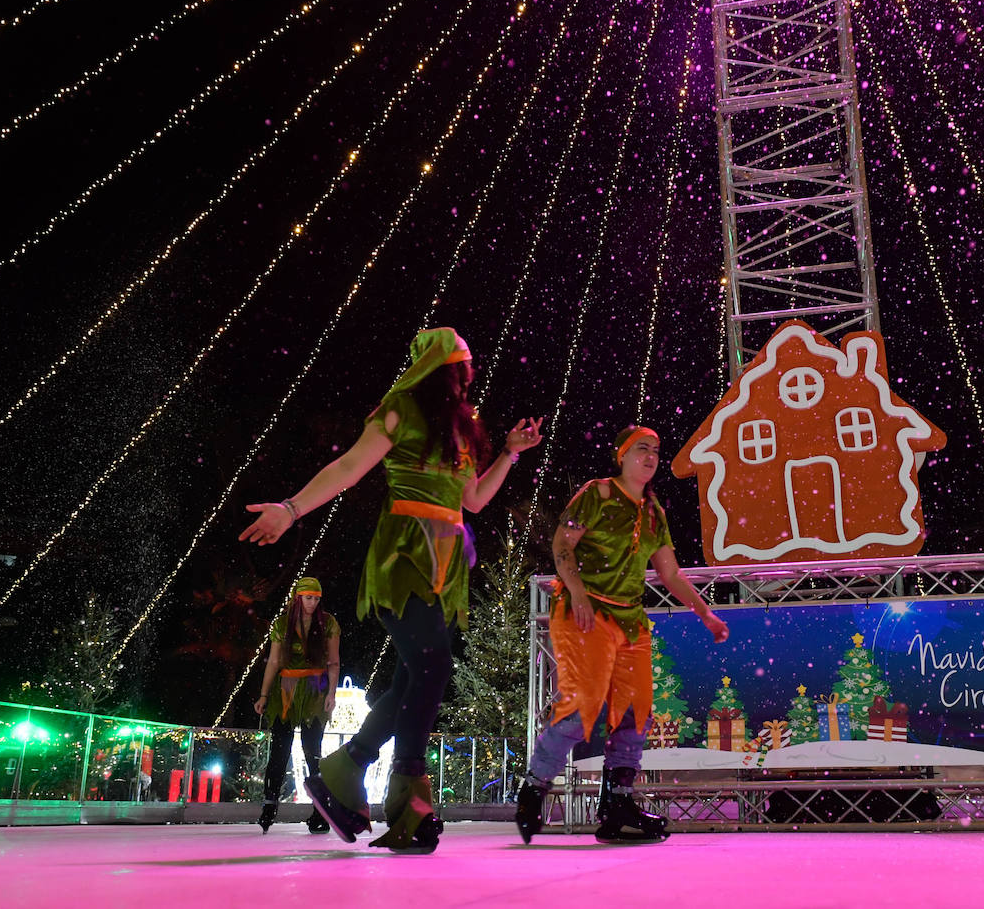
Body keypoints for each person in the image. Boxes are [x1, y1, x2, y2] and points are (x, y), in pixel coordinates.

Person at [239, 327, 542, 853]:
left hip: (446, 566)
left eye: (465, 368)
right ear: (433, 370)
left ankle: (344, 773)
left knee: (413, 679)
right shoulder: (399, 408)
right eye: (455, 367)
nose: (462, 377)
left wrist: (510, 455)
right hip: (403, 555)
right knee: (433, 664)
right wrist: (290, 510)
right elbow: (350, 467)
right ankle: (405, 788)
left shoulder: (465, 427)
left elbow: (472, 501)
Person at [515, 425, 729, 844]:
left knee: (634, 711)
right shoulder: (597, 494)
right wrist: (576, 590)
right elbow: (563, 543)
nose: (650, 456)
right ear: (622, 455)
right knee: (584, 710)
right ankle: (534, 788)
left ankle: (617, 803)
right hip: (586, 611)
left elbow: (670, 573)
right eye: (641, 449)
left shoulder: (652, 513)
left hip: (630, 621)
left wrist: (706, 614)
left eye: (655, 450)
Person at [253, 576, 339, 833]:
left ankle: (320, 811)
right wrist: (264, 695)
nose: (312, 603)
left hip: (315, 689)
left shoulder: (329, 623)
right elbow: (274, 662)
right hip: (286, 690)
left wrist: (332, 694)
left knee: (313, 751)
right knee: (279, 750)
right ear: (297, 598)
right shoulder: (282, 624)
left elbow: (333, 662)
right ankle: (269, 806)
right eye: (308, 597)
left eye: (316, 598)